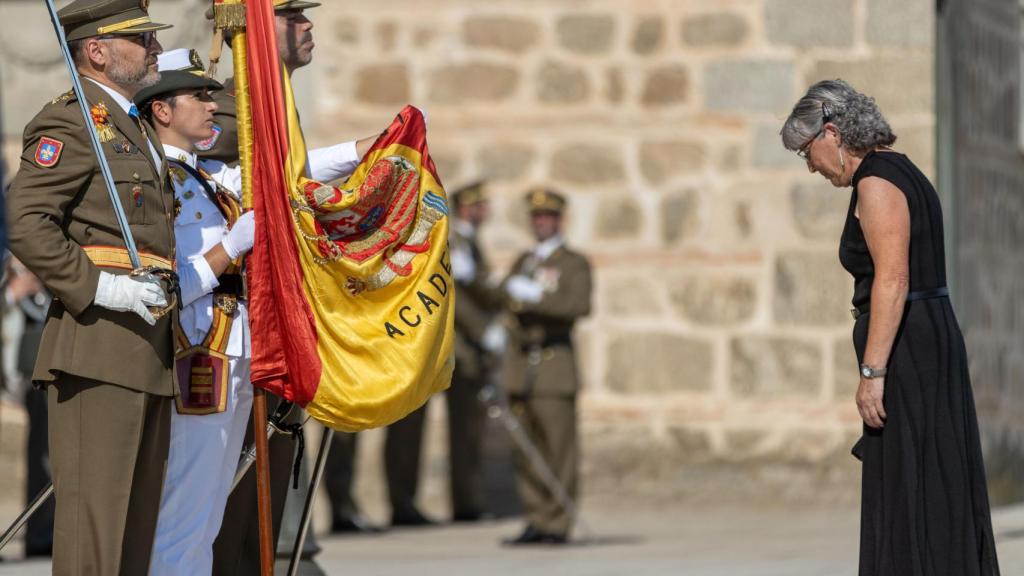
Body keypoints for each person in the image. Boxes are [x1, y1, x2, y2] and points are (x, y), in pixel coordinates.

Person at [780, 79, 1000, 575]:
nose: (811, 166)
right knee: (925, 479)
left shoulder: (877, 182)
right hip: (924, 336)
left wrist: (872, 371)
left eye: (808, 152)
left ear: (832, 134)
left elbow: (893, 279)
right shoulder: (902, 172)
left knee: (917, 479)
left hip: (908, 349)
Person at [5, 0, 176, 573]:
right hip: (98, 342)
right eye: (141, 39)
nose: (154, 48)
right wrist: (101, 289)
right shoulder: (70, 120)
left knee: (134, 532)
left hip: (149, 344)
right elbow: (27, 220)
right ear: (96, 51)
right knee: (94, 536)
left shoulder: (134, 122)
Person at [500, 188, 592, 546]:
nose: (541, 223)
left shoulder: (573, 262)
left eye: (548, 217)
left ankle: (558, 521)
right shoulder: (525, 260)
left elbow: (578, 305)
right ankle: (536, 517)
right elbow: (506, 297)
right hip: (521, 367)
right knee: (527, 450)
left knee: (559, 450)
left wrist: (538, 299)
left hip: (554, 367)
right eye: (536, 217)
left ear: (559, 220)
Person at [446, 180, 503, 522]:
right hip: (460, 349)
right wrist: (484, 333)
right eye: (479, 205)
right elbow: (455, 298)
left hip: (470, 347)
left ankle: (468, 501)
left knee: (469, 430)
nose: (485, 211)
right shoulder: (455, 241)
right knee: (463, 429)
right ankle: (465, 502)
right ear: (467, 207)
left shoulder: (471, 243)